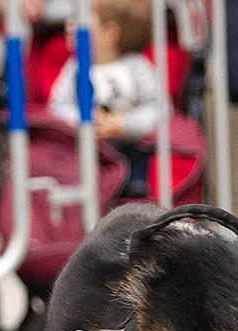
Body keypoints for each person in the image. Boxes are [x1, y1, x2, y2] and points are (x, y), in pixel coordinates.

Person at [48, 0, 160, 196]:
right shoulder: (74, 67)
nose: (69, 23)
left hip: (127, 140)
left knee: (141, 150)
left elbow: (156, 108)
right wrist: (84, 120)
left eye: (79, 18)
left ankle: (134, 184)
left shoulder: (137, 66)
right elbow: (57, 106)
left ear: (109, 33)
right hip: (88, 144)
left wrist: (124, 124)